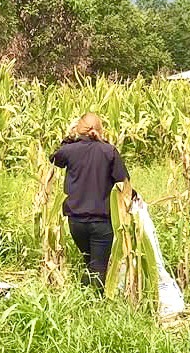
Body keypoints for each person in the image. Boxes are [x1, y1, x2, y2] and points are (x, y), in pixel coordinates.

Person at [50, 113, 130, 292]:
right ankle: (95, 302)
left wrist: (69, 138)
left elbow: (54, 158)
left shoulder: (70, 150)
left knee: (89, 262)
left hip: (76, 222)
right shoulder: (109, 151)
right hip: (102, 222)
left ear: (79, 129)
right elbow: (124, 182)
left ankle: (84, 298)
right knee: (98, 268)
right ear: (100, 129)